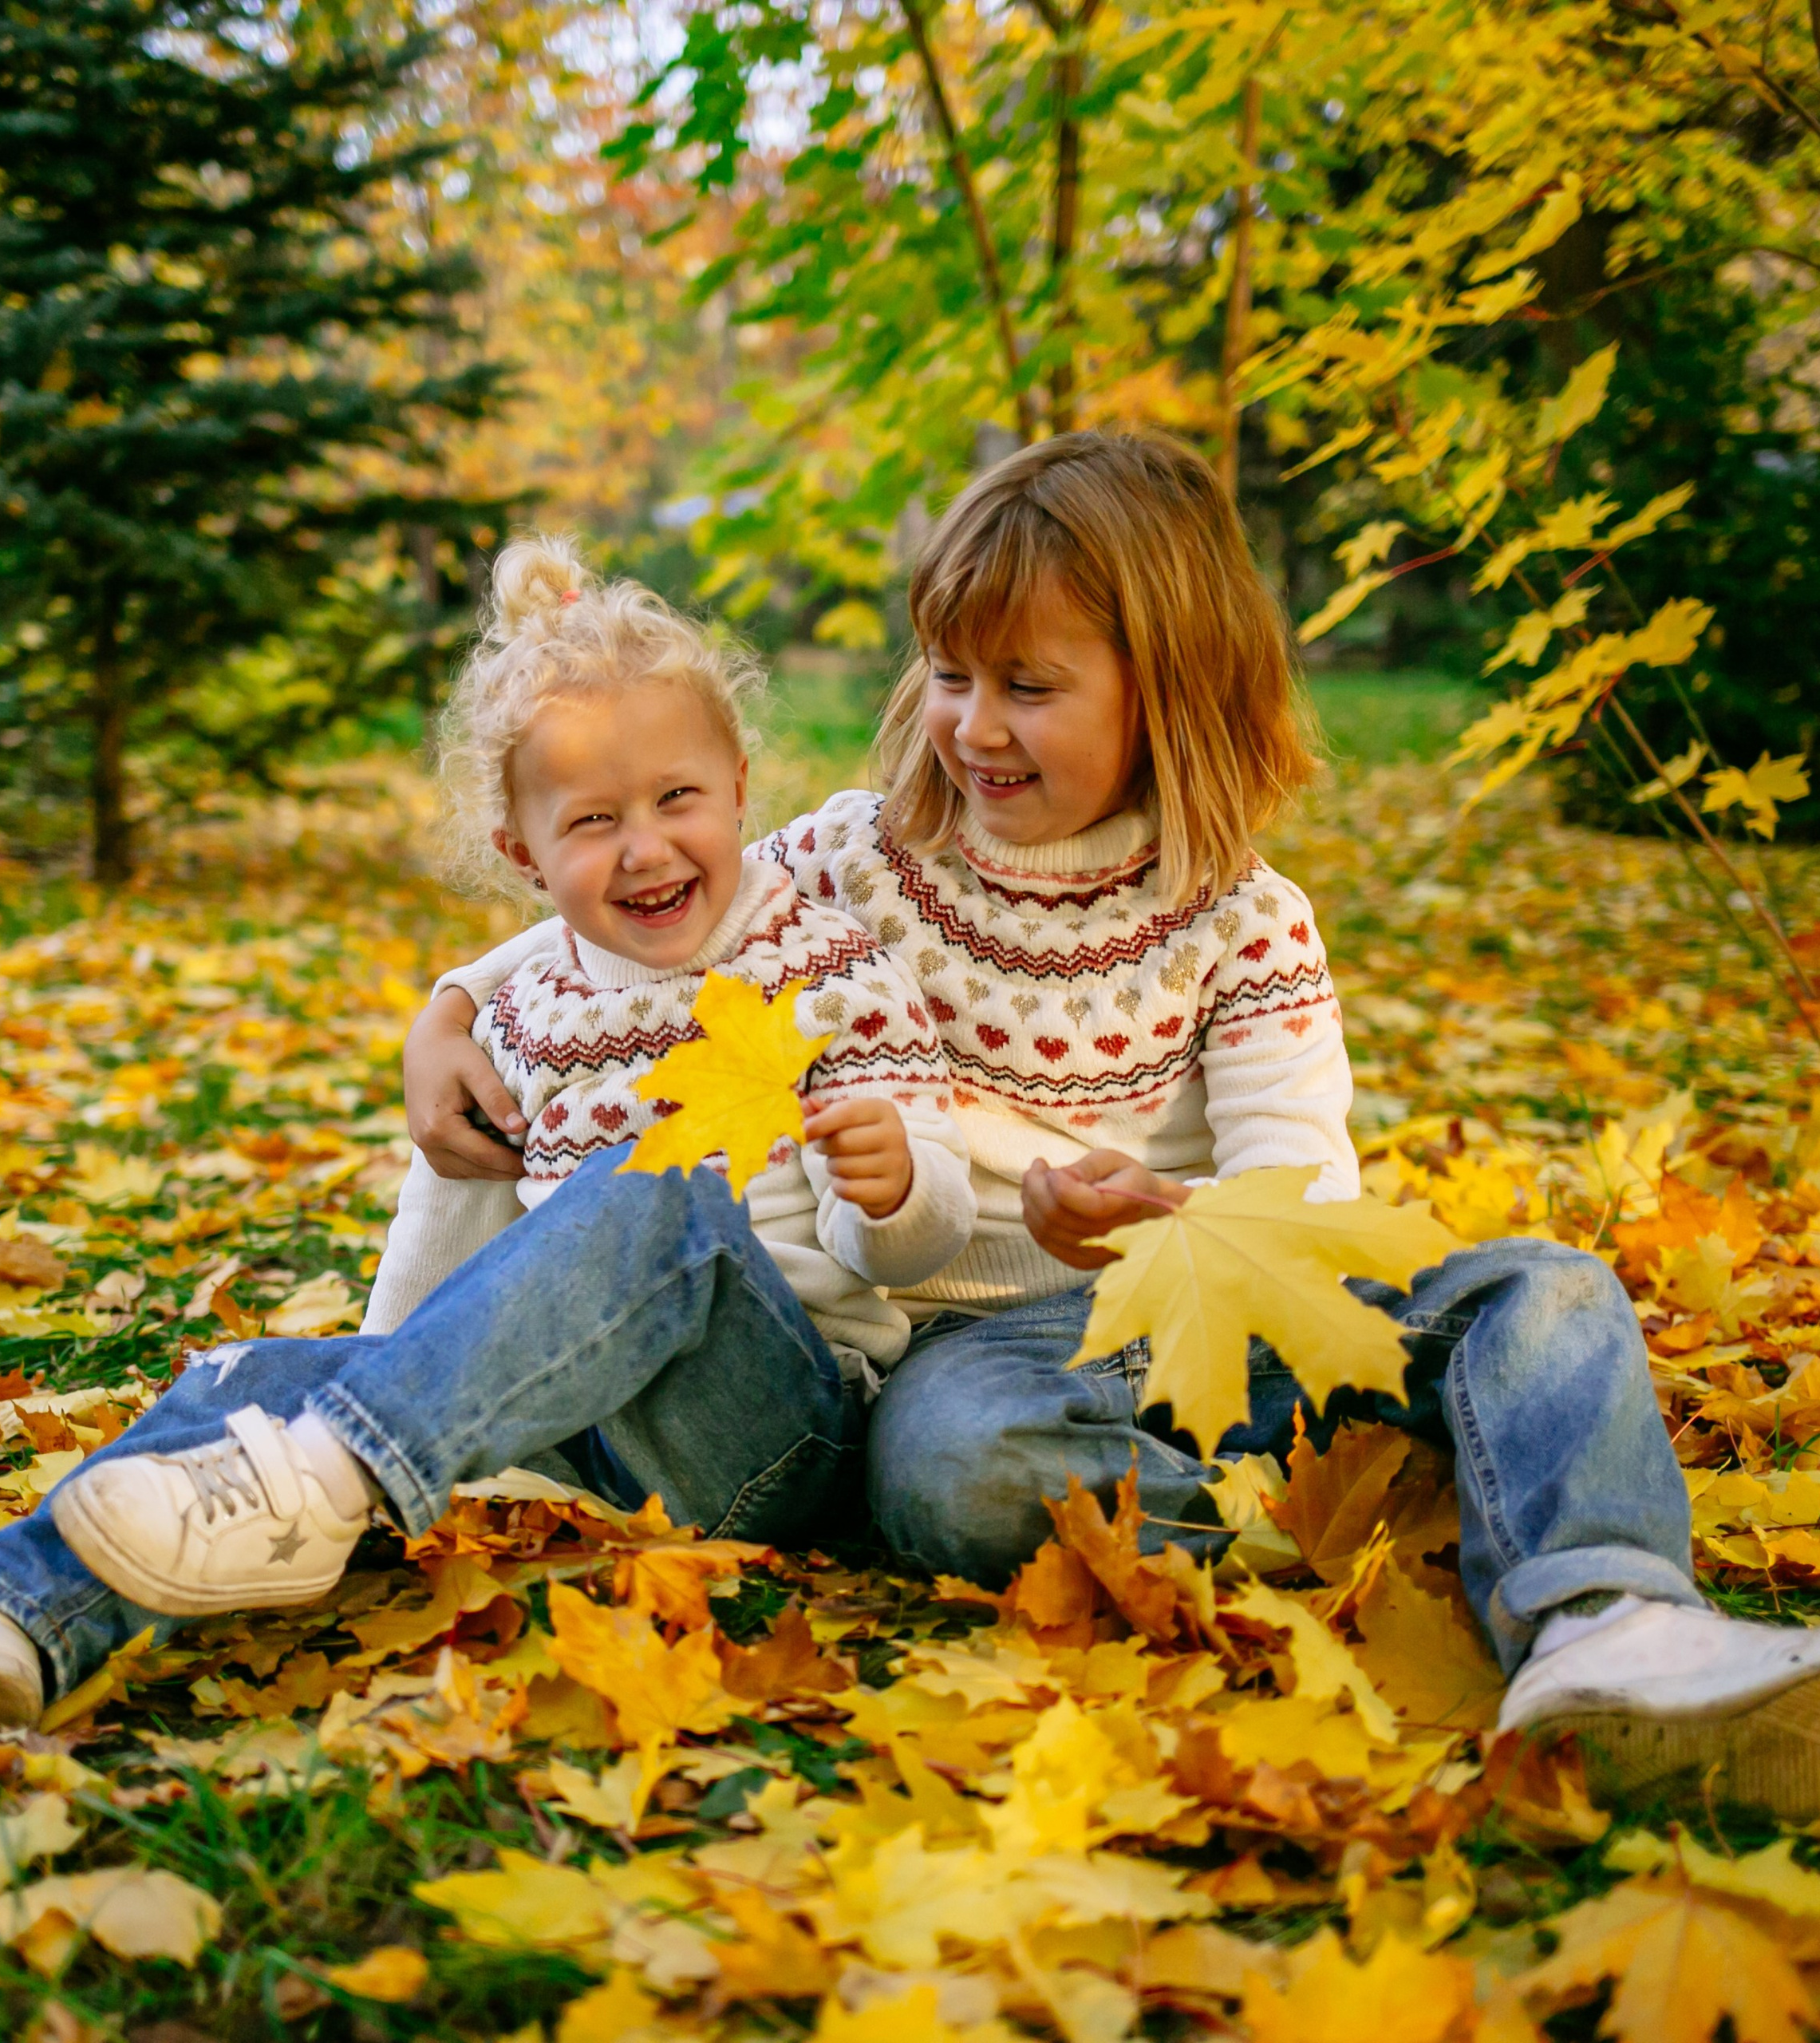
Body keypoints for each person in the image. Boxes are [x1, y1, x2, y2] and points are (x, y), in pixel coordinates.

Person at [405, 431, 1820, 1813]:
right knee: (959, 1475)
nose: (973, 725)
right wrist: (453, 1012)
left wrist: (1167, 1224)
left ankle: (1609, 1618)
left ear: (1172, 691)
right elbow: (648, 915)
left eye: (1029, 685)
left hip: (1205, 1310)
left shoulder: (1246, 925)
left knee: (1550, 1291)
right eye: (952, 674)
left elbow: (1303, 1204)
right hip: (963, 1354)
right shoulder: (856, 856)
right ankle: (1331, 1508)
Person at [0, 539, 975, 1745]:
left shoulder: (825, 968)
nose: (648, 846)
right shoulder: (521, 1013)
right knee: (248, 1381)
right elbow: (450, 1221)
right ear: (524, 853)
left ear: (737, 790)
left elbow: (908, 1248)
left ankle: (329, 1475)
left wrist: (894, 1190)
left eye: (678, 800)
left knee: (647, 1190)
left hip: (776, 1429)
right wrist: (377, 1373)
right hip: (576, 1436)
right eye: (594, 820)